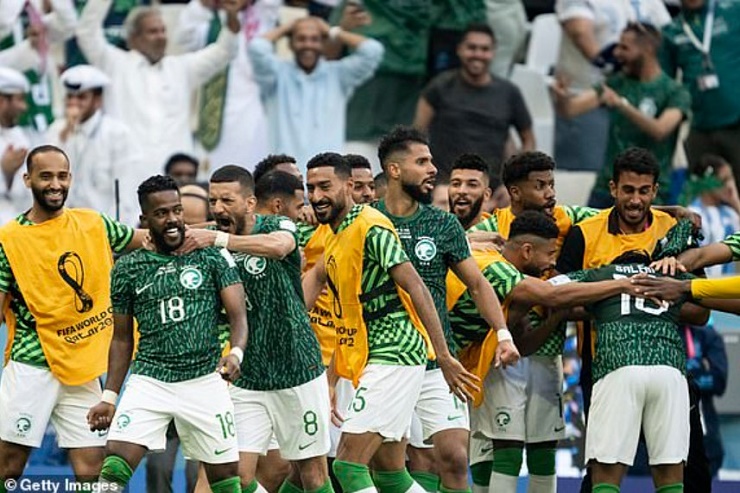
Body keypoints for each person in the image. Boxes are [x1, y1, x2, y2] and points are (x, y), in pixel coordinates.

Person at [301, 152, 478, 493]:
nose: (316, 196)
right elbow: (336, 311)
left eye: (325, 186)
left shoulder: (370, 225)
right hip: (373, 357)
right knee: (390, 474)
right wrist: (331, 378)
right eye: (311, 188)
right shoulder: (335, 236)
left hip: (395, 352)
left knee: (348, 466)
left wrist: (443, 355)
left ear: (348, 186)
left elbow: (416, 287)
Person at [447, 211, 644, 493]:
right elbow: (552, 295)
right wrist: (623, 284)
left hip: (455, 365)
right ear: (527, 251)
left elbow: (526, 341)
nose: (553, 263)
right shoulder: (496, 269)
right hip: (430, 362)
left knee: (445, 457)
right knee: (441, 457)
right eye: (550, 254)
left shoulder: (510, 277)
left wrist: (558, 316)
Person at [370, 126, 518, 493]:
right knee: (393, 463)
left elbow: (478, 284)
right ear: (394, 170)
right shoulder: (365, 221)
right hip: (383, 359)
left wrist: (502, 334)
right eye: (422, 162)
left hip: (440, 361)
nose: (433, 169)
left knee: (454, 457)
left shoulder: (442, 224)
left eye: (432, 161)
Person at [556, 148, 712, 493]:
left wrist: (642, 303)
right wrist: (618, 301)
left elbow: (701, 308)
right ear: (613, 188)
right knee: (601, 463)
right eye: (627, 190)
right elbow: (558, 302)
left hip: (667, 359)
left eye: (644, 191)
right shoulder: (585, 233)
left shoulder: (674, 231)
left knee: (691, 467)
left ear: (655, 191)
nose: (635, 199)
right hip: (601, 361)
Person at [87, 174, 248, 493]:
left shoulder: (211, 255)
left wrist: (235, 353)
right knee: (114, 466)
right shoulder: (128, 268)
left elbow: (238, 317)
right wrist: (109, 397)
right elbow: (122, 338)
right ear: (145, 219)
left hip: (204, 380)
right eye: (161, 213)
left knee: (228, 480)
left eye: (176, 210)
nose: (172, 219)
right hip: (151, 379)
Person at [0, 145, 145, 487]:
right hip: (32, 362)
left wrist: (210, 233)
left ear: (70, 178)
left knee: (93, 468)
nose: (55, 184)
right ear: (27, 179)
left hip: (82, 365)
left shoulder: (92, 223)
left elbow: (148, 238)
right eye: (46, 176)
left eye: (62, 176)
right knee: (8, 465)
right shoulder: (9, 238)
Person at [205, 165, 332, 493]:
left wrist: (219, 239)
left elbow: (279, 246)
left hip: (297, 370)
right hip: (248, 376)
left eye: (226, 200)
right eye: (213, 200)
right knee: (237, 477)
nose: (218, 208)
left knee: (313, 476)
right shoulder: (209, 241)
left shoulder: (277, 225)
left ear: (250, 203)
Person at [556, 251, 700, 493]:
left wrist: (597, 299)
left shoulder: (600, 273)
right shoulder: (673, 277)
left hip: (619, 366)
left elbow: (550, 289)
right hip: (669, 369)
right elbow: (707, 304)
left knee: (606, 472)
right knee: (670, 470)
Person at [75, 0, 241, 191]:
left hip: (174, 177)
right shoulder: (114, 64)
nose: (161, 37)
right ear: (133, 38)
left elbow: (224, 51)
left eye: (163, 31)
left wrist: (232, 16)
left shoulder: (180, 68)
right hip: (128, 174)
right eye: (153, 32)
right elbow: (86, 33)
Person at [553, 22, 691, 207]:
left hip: (648, 192)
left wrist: (622, 105)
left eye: (625, 48)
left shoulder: (674, 91)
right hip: (607, 186)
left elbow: (660, 130)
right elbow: (570, 110)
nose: (617, 53)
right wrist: (561, 97)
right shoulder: (616, 83)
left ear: (648, 49)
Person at [248, 16, 383, 173]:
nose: (308, 45)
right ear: (290, 44)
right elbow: (256, 48)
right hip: (284, 176)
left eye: (314, 39)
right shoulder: (276, 75)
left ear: (323, 43)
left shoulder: (338, 75)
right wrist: (288, 26)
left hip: (327, 177)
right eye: (301, 39)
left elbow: (373, 51)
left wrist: (332, 31)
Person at [553, 0, 671, 172]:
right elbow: (579, 31)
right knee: (588, 171)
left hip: (640, 97)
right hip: (590, 99)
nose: (618, 51)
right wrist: (608, 65)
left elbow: (665, 34)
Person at [414, 23, 534, 180]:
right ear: (459, 50)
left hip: (491, 186)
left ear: (493, 52)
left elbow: (528, 140)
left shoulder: (509, 93)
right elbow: (417, 136)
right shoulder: (440, 86)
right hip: (445, 184)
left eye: (485, 49)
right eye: (472, 48)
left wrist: (515, 181)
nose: (478, 54)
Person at [177, 0, 279, 170]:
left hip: (255, 108)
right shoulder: (209, 21)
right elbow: (184, 37)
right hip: (216, 112)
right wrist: (205, 4)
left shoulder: (263, 16)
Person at [661, 0, 740, 191]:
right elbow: (665, 86)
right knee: (702, 193)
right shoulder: (670, 32)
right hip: (700, 127)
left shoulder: (734, 10)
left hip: (736, 122)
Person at [45, 64, 139, 223]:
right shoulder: (56, 131)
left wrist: (114, 230)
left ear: (97, 100)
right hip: (63, 225)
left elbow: (125, 194)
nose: (73, 103)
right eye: (70, 97)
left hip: (102, 226)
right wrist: (66, 134)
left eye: (81, 97)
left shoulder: (117, 133)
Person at [685, 154, 740, 276]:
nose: (730, 186)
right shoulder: (692, 213)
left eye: (731, 179)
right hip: (703, 283)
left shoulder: (730, 213)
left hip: (726, 284)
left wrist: (736, 202)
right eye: (724, 180)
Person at [0, 67, 31, 223]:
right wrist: (4, 173)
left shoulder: (19, 136)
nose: (24, 107)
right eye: (19, 100)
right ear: (2, 101)